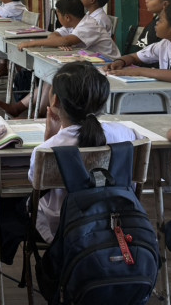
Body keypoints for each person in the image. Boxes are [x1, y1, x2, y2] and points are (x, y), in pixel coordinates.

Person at [29, 62, 140, 242]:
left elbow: (36, 183)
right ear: (102, 101)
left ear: (55, 101)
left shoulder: (48, 148)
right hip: (118, 224)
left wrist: (49, 139)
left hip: (63, 229)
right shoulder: (128, 135)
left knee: (7, 202)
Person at [0, 0, 120, 117]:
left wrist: (32, 43)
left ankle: (35, 113)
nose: (58, 18)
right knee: (51, 74)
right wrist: (60, 43)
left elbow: (65, 40)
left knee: (55, 75)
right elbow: (54, 36)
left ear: (67, 17)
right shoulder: (74, 23)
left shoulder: (89, 25)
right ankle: (23, 109)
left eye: (58, 15)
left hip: (108, 66)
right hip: (90, 62)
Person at [106, 2, 171, 112]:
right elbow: (135, 57)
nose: (156, 23)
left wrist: (138, 71)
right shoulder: (165, 44)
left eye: (161, 20)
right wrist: (121, 61)